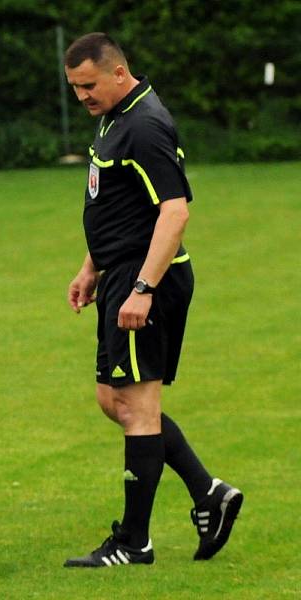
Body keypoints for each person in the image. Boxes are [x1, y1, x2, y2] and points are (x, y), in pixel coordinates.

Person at [62, 32, 243, 568]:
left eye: (89, 85)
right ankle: (208, 492)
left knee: (138, 406)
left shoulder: (144, 125)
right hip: (118, 274)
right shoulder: (115, 115)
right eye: (74, 88)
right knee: (112, 400)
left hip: (146, 282)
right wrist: (91, 265)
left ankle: (134, 542)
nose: (82, 97)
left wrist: (142, 287)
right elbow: (118, 205)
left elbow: (175, 211)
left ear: (119, 73)